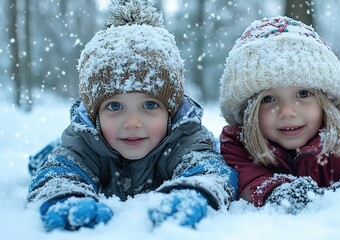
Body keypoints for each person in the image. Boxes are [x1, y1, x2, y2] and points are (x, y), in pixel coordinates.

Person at [26, 0, 237, 231]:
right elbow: (59, 171)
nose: (132, 123)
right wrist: (65, 196)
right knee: (53, 154)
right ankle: (44, 152)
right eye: (115, 107)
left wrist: (194, 191)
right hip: (86, 147)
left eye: (149, 105)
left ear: (171, 111)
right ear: (95, 115)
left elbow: (209, 169)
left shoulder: (184, 137)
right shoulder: (85, 141)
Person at [219, 16, 340, 214]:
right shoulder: (239, 146)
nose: (287, 112)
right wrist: (278, 193)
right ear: (248, 111)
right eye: (268, 99)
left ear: (326, 102)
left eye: (303, 94)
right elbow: (248, 184)